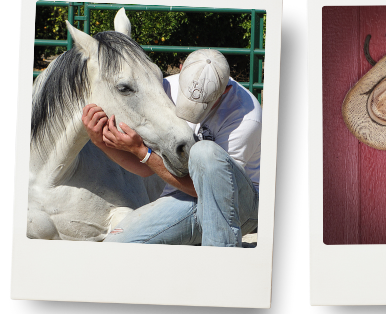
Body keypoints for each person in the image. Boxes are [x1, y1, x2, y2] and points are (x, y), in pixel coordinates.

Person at [82, 49, 262, 246]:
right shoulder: (164, 88)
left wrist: (142, 152)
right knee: (118, 243)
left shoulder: (246, 116)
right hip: (183, 196)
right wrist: (100, 141)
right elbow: (145, 168)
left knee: (205, 152)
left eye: (202, 104)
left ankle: (219, 259)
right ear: (181, 68)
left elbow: (211, 190)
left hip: (238, 203)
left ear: (225, 90)